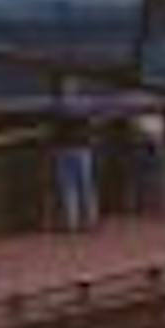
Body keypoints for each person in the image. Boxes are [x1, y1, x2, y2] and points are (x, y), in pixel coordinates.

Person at [52, 95, 99, 234]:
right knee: (79, 187)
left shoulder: (59, 108)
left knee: (73, 187)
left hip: (72, 149)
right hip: (75, 149)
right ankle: (83, 222)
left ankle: (76, 222)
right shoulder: (84, 107)